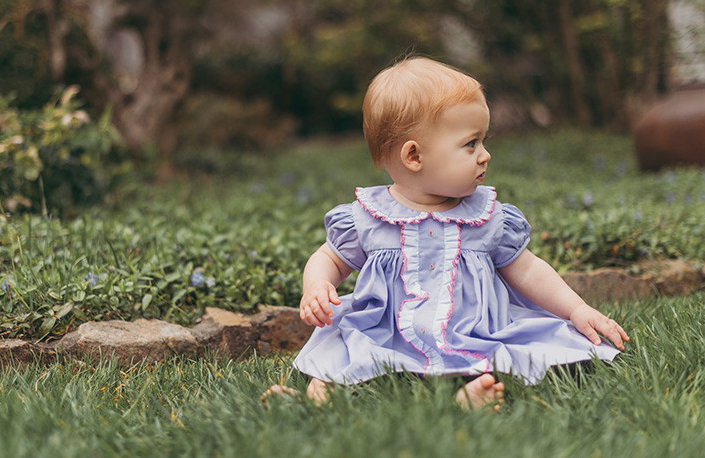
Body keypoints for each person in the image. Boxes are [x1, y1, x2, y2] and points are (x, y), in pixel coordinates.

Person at [264, 56, 628, 410]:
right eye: (471, 144)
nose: (485, 155)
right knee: (347, 356)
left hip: (475, 332)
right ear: (414, 157)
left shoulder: (486, 216)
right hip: (386, 336)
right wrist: (317, 286)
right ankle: (315, 400)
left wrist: (576, 309)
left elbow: (528, 269)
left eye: (483, 142)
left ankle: (469, 395)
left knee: (530, 355)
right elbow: (328, 257)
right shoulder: (368, 217)